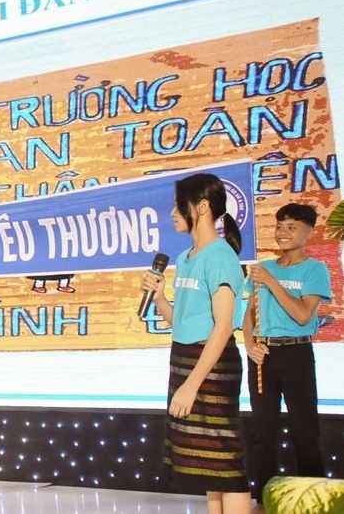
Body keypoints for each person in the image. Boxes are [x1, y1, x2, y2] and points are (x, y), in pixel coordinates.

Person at [141, 173, 250, 513]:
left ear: (201, 207)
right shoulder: (188, 256)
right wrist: (159, 299)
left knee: (226, 463)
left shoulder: (219, 255)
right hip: (186, 358)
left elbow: (222, 328)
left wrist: (191, 385)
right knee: (209, 467)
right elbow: (184, 322)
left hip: (212, 366)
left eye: (179, 206)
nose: (173, 213)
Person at [242, 203, 331, 503]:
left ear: (309, 231)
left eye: (292, 227)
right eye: (280, 226)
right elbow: (249, 314)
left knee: (304, 432)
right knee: (262, 433)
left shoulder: (315, 269)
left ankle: (314, 499)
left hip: (296, 355)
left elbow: (303, 315)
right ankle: (264, 499)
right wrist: (250, 346)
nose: (283, 232)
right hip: (263, 355)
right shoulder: (263, 268)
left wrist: (273, 283)